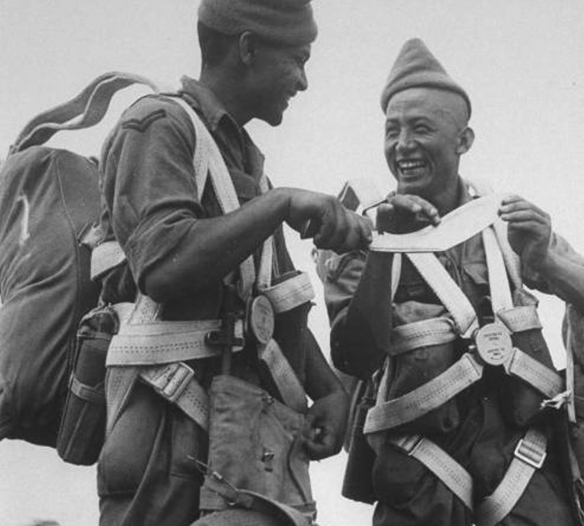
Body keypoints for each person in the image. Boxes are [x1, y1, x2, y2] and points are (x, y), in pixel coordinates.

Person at [93, 1, 372, 525]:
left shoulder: (247, 167)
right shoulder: (158, 125)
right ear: (247, 48)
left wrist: (330, 391)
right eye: (298, 59)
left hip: (238, 447)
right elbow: (163, 265)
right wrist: (279, 205)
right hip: (164, 438)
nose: (304, 81)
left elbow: (274, 304)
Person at [321, 38, 584, 526]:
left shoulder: (502, 221)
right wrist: (384, 249)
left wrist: (544, 257)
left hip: (522, 465)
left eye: (421, 129)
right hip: (418, 469)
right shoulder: (360, 230)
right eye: (392, 131)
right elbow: (355, 355)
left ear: (463, 141)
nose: (402, 146)